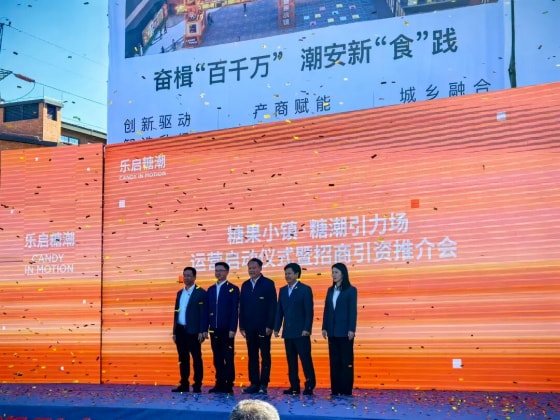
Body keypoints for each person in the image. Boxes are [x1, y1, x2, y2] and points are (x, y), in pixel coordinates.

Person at [274, 262, 316, 395]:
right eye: (285, 274)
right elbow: (279, 311)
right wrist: (276, 327)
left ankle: (309, 385)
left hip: (301, 332)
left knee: (305, 359)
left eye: (289, 273)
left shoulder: (305, 289)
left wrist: (307, 328)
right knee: (291, 361)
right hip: (288, 332)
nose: (287, 276)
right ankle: (294, 386)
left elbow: (309, 311)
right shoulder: (282, 290)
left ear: (297, 274)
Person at [239, 258, 277, 394]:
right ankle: (254, 383)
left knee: (265, 355)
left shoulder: (268, 283)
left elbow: (272, 306)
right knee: (252, 355)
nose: (251, 270)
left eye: (254, 268)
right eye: (249, 268)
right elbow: (242, 306)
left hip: (263, 326)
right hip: (249, 326)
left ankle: (264, 384)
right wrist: (241, 326)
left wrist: (270, 325)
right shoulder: (245, 285)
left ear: (260, 268)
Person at [321, 262, 358, 396]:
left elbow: (352, 311)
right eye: (332, 272)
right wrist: (324, 327)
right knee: (334, 361)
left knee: (346, 361)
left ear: (343, 274)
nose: (334, 275)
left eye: (336, 272)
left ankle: (346, 389)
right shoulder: (330, 290)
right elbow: (327, 310)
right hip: (332, 331)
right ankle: (335, 389)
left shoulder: (351, 290)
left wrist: (352, 329)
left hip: (345, 331)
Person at [172, 267, 208, 393]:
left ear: (194, 277)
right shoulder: (179, 293)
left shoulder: (201, 292)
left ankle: (197, 385)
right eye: (185, 275)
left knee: (196, 358)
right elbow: (176, 313)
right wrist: (174, 331)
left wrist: (202, 330)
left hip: (194, 331)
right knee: (183, 359)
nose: (186, 278)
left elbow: (204, 313)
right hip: (180, 330)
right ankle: (184, 384)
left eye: (189, 275)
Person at [206, 262, 239, 393]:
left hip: (227, 330)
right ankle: (219, 383)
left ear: (227, 272)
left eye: (221, 270)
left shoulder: (233, 289)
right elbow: (207, 311)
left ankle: (229, 384)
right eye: (216, 270)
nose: (218, 273)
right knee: (217, 358)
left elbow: (235, 311)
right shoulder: (210, 289)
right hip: (214, 329)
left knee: (228, 357)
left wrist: (233, 328)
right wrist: (205, 329)